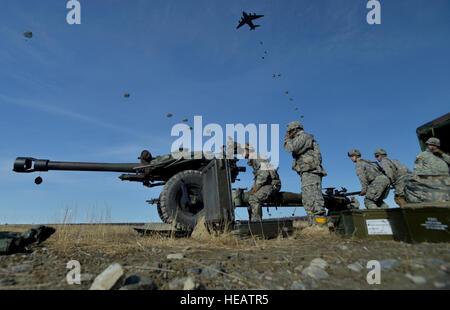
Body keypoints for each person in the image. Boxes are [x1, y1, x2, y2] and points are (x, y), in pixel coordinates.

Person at [283, 121, 327, 226]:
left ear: (294, 130)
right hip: (306, 172)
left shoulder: (304, 136)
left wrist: (287, 139)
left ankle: (321, 226)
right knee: (308, 201)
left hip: (311, 171)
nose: (289, 134)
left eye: (289, 132)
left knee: (315, 200)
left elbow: (291, 148)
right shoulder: (302, 138)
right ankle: (313, 225)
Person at [240, 143, 281, 221]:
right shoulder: (254, 160)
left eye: (243, 151)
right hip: (265, 184)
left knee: (254, 199)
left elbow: (264, 175)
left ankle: (257, 224)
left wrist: (255, 188)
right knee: (249, 198)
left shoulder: (257, 158)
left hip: (272, 184)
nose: (241, 153)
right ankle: (251, 222)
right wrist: (253, 189)